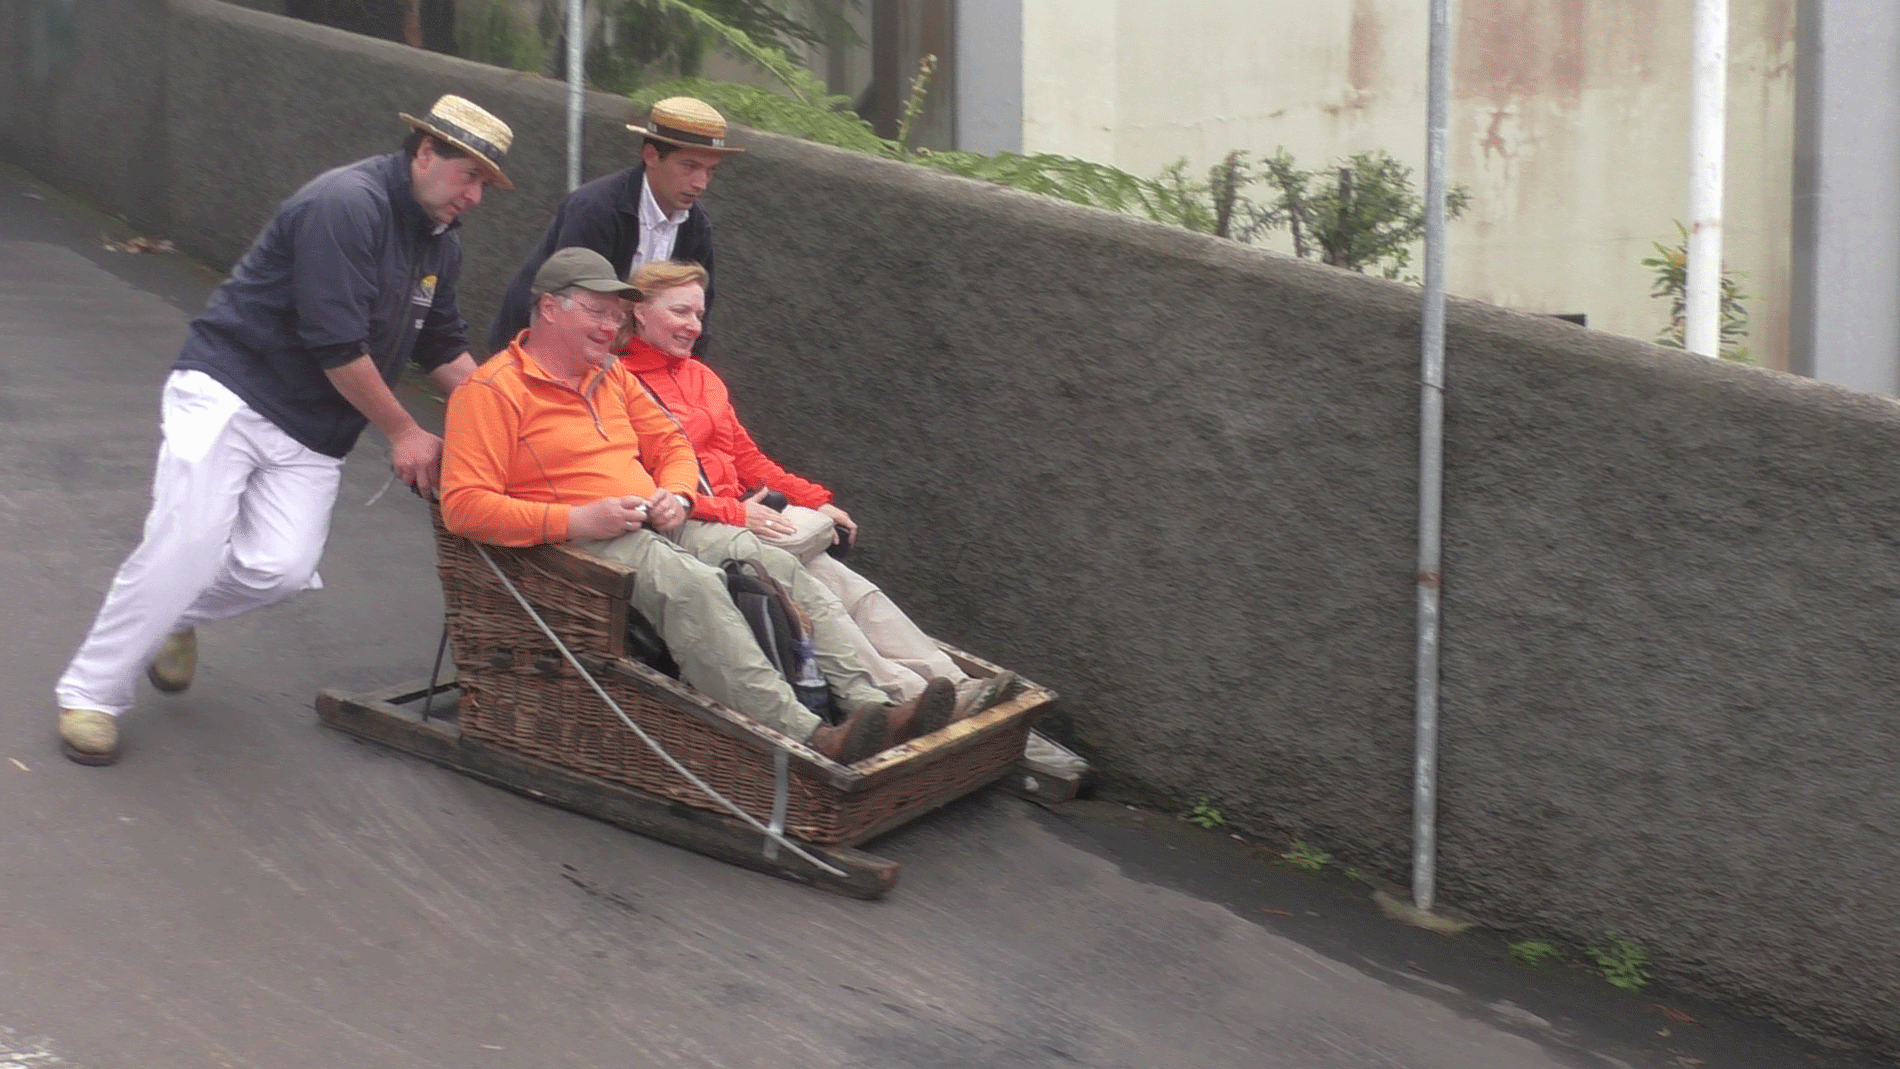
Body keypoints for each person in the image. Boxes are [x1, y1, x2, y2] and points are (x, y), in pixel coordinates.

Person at [54, 94, 515, 767]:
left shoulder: (441, 245)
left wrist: (509, 416)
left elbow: (441, 345)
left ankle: (173, 615)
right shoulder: (346, 204)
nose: (474, 195)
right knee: (185, 539)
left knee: (282, 568)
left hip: (313, 425)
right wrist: (405, 430)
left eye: (484, 184)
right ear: (424, 153)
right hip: (232, 389)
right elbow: (336, 344)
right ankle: (91, 693)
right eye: (467, 175)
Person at [441, 248, 954, 766]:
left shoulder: (610, 375)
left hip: (651, 517)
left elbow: (671, 444)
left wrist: (679, 494)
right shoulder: (490, 391)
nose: (610, 326)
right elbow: (462, 507)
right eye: (597, 312)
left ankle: (870, 706)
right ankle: (806, 734)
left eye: (615, 315)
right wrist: (575, 519)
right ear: (551, 308)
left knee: (775, 562)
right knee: (694, 587)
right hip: (580, 539)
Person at [617, 261, 1019, 717]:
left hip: (745, 516)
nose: (693, 325)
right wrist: (732, 513)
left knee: (851, 586)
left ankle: (953, 683)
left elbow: (748, 460)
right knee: (816, 591)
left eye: (699, 314)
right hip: (700, 525)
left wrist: (817, 500)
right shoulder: (621, 384)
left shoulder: (701, 377)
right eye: (680, 312)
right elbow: (647, 486)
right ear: (640, 313)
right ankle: (905, 695)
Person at [487, 97, 737, 352]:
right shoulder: (596, 208)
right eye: (690, 166)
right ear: (651, 155)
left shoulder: (697, 225)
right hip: (539, 351)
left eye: (710, 171)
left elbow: (699, 312)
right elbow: (573, 307)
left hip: (627, 359)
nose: (701, 183)